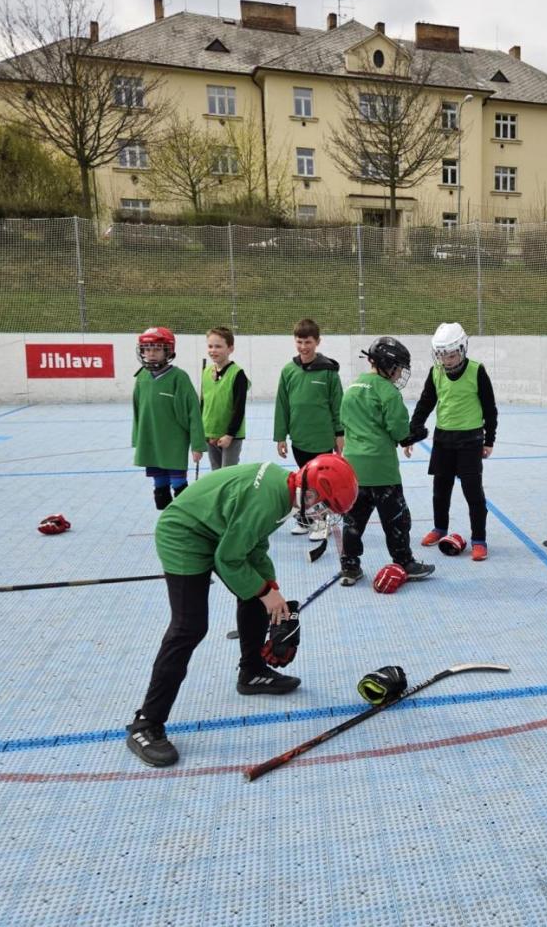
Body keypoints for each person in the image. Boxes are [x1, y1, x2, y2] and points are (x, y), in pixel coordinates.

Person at [125, 453, 359, 767]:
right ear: (313, 493)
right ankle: (146, 723)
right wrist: (265, 592)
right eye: (325, 507)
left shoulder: (283, 490)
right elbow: (230, 558)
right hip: (184, 536)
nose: (323, 515)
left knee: (256, 596)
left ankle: (251, 672)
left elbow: (254, 545)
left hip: (215, 534)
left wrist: (270, 587)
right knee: (189, 627)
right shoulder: (268, 499)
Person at [338, 336, 434, 586]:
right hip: (382, 469)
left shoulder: (353, 388)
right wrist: (417, 433)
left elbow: (345, 423)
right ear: (387, 365)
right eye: (399, 367)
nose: (400, 373)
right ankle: (404, 561)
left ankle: (350, 566)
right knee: (397, 519)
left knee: (353, 520)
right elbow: (400, 433)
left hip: (353, 469)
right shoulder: (388, 393)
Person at [407, 322, 499, 561]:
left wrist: (489, 440)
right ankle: (439, 528)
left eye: (450, 354)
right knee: (440, 491)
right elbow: (425, 403)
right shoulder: (435, 372)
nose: (446, 360)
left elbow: (490, 408)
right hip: (443, 439)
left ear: (461, 349)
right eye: (441, 355)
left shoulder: (477, 371)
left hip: (470, 440)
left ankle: (479, 539)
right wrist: (413, 431)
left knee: (473, 493)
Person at [273, 318, 345, 537]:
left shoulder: (329, 371)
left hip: (322, 440)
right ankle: (305, 519)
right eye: (299, 342)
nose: (303, 347)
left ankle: (321, 523)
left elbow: (338, 405)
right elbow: (282, 405)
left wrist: (339, 434)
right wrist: (281, 437)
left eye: (308, 342)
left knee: (320, 485)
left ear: (317, 342)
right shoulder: (288, 371)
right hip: (299, 439)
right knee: (302, 482)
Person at [132, 326, 204, 510]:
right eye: (147, 349)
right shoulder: (141, 378)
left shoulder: (179, 378)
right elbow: (137, 410)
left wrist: (197, 445)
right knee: (160, 486)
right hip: (151, 443)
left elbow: (193, 413)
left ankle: (186, 519)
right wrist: (137, 439)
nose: (151, 354)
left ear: (168, 351)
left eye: (157, 349)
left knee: (178, 484)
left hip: (174, 443)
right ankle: (166, 521)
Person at [201, 326, 250, 470]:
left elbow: (239, 408)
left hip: (230, 436)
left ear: (230, 348)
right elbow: (203, 404)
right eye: (210, 346)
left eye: (218, 346)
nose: (213, 350)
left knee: (228, 474)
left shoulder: (238, 374)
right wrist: (201, 431)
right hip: (210, 432)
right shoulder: (206, 372)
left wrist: (229, 434)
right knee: (216, 474)